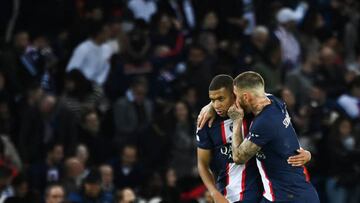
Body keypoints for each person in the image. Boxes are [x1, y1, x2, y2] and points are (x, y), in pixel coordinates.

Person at [197, 74, 310, 203]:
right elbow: (202, 163)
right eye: (212, 100)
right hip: (230, 196)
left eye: (221, 99)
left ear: (236, 95)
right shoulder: (206, 123)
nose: (216, 105)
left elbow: (277, 133)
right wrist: (214, 192)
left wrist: (303, 151)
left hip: (264, 194)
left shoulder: (254, 111)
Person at [228, 71, 319, 202]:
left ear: (246, 97)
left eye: (236, 96)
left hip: (287, 196)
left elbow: (238, 157)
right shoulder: (274, 101)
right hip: (292, 193)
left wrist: (236, 121)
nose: (234, 101)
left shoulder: (264, 123)